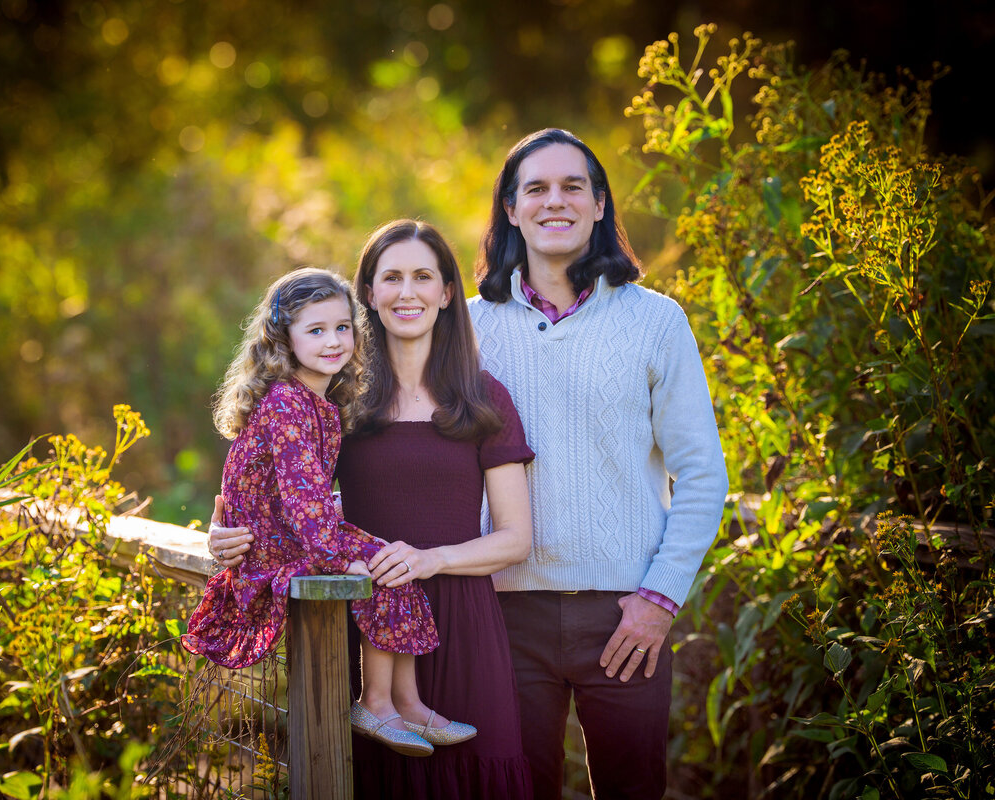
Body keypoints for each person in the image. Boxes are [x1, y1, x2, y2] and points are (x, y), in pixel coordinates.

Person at [208, 221, 535, 799]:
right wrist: (226, 532)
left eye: (423, 277)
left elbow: (514, 540)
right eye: (391, 278)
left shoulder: (484, 398)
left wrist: (428, 561)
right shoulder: (338, 398)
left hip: (464, 620)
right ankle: (385, 704)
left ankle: (412, 704)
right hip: (361, 614)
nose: (407, 292)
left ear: (447, 292)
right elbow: (276, 484)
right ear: (370, 296)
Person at [468, 128, 729, 800]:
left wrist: (659, 600)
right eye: (536, 188)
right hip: (502, 617)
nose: (555, 201)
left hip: (624, 617)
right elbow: (407, 451)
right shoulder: (464, 328)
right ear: (510, 207)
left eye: (572, 186)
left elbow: (702, 474)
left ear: (600, 202)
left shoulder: (657, 322)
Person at [181, 267, 463, 758]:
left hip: (297, 531)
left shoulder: (320, 404)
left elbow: (306, 495)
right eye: (315, 330)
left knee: (394, 561)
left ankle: (406, 702)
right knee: (379, 568)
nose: (333, 341)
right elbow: (298, 500)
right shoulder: (289, 403)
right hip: (275, 543)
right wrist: (336, 560)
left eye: (342, 328)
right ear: (283, 338)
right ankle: (375, 703)